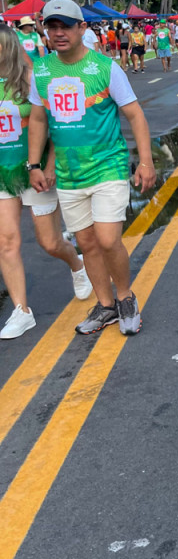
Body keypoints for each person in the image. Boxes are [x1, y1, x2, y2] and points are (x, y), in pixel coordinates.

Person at [26, 0, 157, 336]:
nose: (58, 33)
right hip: (69, 174)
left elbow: (135, 115)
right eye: (52, 27)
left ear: (82, 28)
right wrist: (35, 165)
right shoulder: (41, 70)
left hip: (107, 166)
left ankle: (125, 297)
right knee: (87, 243)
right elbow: (38, 119)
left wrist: (145, 161)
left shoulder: (105, 68)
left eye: (65, 26)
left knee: (108, 239)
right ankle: (106, 305)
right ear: (45, 30)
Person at [0, 23, 93, 338]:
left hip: (34, 171)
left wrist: (48, 165)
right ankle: (21, 311)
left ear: (7, 47)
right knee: (6, 241)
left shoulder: (32, 80)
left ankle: (77, 264)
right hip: (2, 175)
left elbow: (54, 126)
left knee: (50, 242)